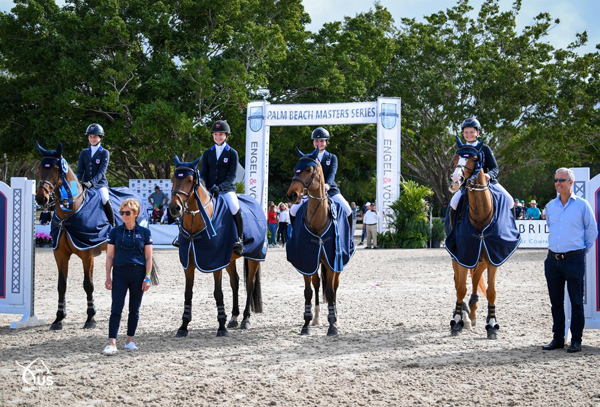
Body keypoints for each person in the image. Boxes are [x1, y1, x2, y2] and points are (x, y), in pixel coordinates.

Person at [542, 168, 597, 354]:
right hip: (552, 260)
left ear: (571, 182)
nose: (558, 183)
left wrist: (580, 252)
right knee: (556, 302)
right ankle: (558, 338)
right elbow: (551, 228)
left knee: (576, 302)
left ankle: (576, 340)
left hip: (574, 260)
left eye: (562, 180)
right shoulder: (550, 206)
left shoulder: (582, 205)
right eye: (556, 179)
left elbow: (592, 231)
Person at [103, 198, 153, 355]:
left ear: (135, 213)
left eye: (127, 212)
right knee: (116, 308)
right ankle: (112, 343)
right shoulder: (115, 232)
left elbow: (148, 257)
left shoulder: (144, 232)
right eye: (122, 213)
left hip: (138, 274)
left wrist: (147, 277)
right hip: (119, 273)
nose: (124, 215)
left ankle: (129, 341)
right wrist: (108, 276)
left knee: (134, 309)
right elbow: (110, 256)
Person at [449, 118, 513, 213]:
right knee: (453, 203)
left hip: (487, 182)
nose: (469, 134)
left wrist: (489, 175)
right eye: (466, 132)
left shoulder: (485, 148)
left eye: (472, 132)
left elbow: (495, 167)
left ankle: (511, 227)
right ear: (463, 133)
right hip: (466, 184)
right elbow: (455, 167)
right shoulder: (461, 150)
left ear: (478, 132)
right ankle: (451, 227)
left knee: (510, 201)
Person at [290, 127, 352, 224]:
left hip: (330, 190)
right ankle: (294, 236)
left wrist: (327, 184)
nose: (319, 143)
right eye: (316, 141)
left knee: (348, 210)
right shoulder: (307, 158)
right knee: (292, 211)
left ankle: (349, 238)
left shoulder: (332, 157)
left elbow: (332, 173)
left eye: (322, 141)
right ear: (313, 142)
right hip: (311, 191)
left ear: (326, 142)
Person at [200, 120, 244, 255]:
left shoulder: (232, 153)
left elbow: (232, 176)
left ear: (226, 136)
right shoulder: (208, 153)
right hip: (209, 189)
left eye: (221, 134)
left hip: (226, 189)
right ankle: (183, 236)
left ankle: (239, 238)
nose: (218, 137)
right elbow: (203, 174)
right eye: (216, 134)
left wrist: (219, 187)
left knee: (234, 206)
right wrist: (205, 186)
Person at [76, 123, 116, 226]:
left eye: (95, 136)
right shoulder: (84, 153)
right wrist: (75, 183)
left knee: (104, 198)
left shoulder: (104, 152)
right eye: (90, 136)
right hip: (85, 184)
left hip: (100, 184)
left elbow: (101, 172)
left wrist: (91, 183)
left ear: (100, 137)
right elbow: (80, 171)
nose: (92, 139)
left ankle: (113, 224)